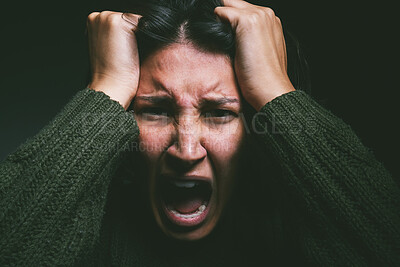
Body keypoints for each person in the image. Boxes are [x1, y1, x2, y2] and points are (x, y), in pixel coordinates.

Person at [0, 0, 399, 266]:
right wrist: (107, 85)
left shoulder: (299, 235)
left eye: (219, 113)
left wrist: (276, 89)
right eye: (155, 109)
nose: (186, 149)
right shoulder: (87, 238)